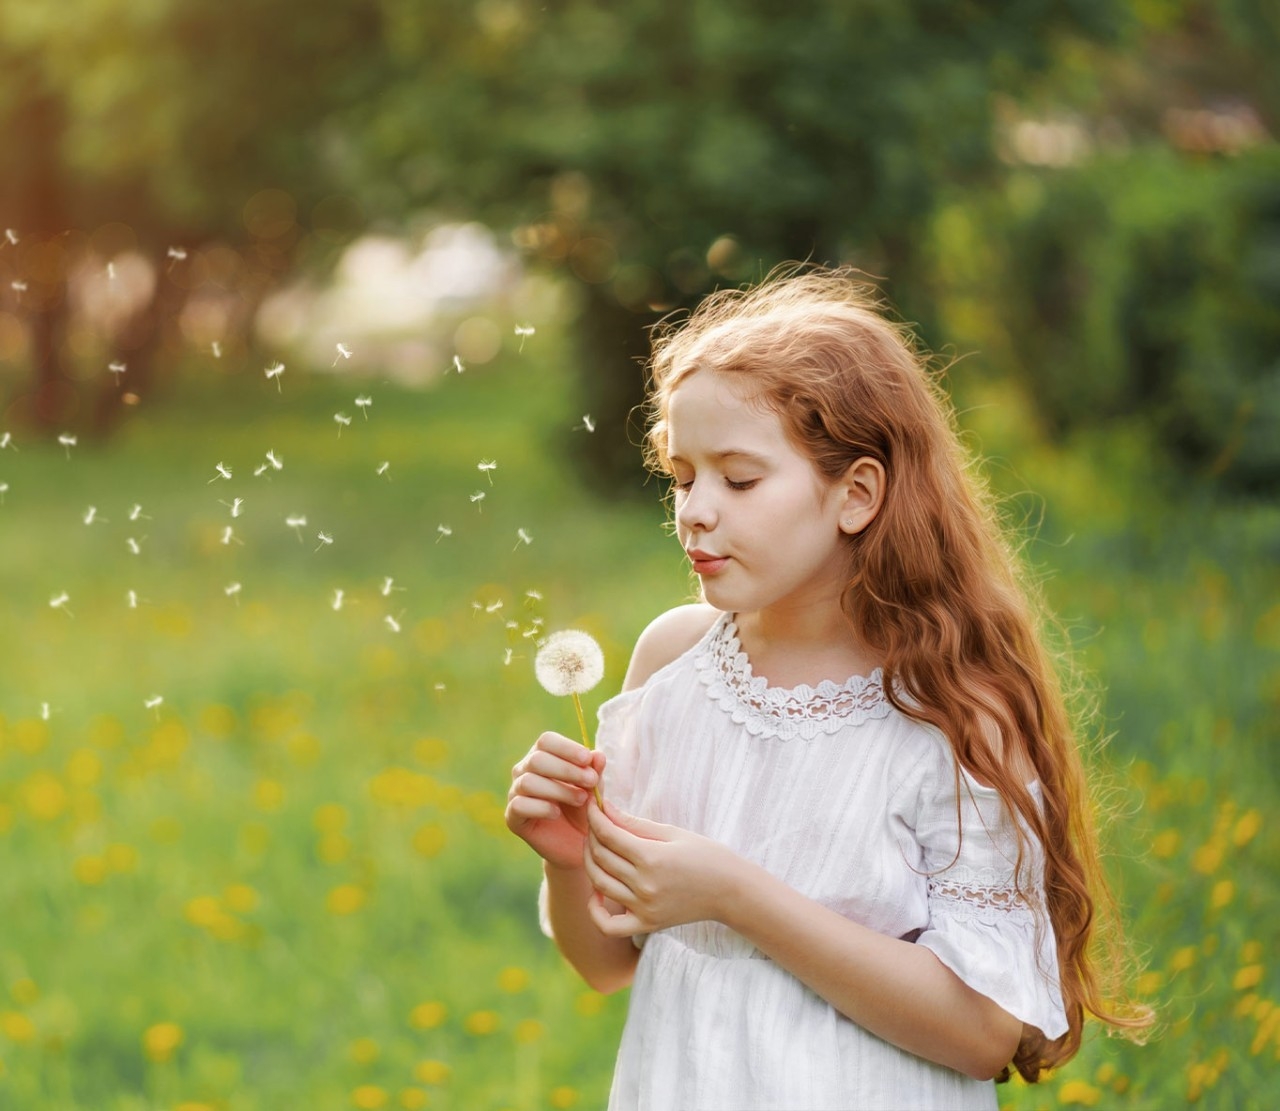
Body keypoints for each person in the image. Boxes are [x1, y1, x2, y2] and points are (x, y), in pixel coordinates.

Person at [506, 266, 1149, 1110]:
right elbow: (608, 962)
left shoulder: (950, 707)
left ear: (856, 494)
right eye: (681, 475)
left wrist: (739, 897)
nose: (696, 509)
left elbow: (985, 1030)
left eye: (738, 479)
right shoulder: (673, 665)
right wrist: (565, 861)